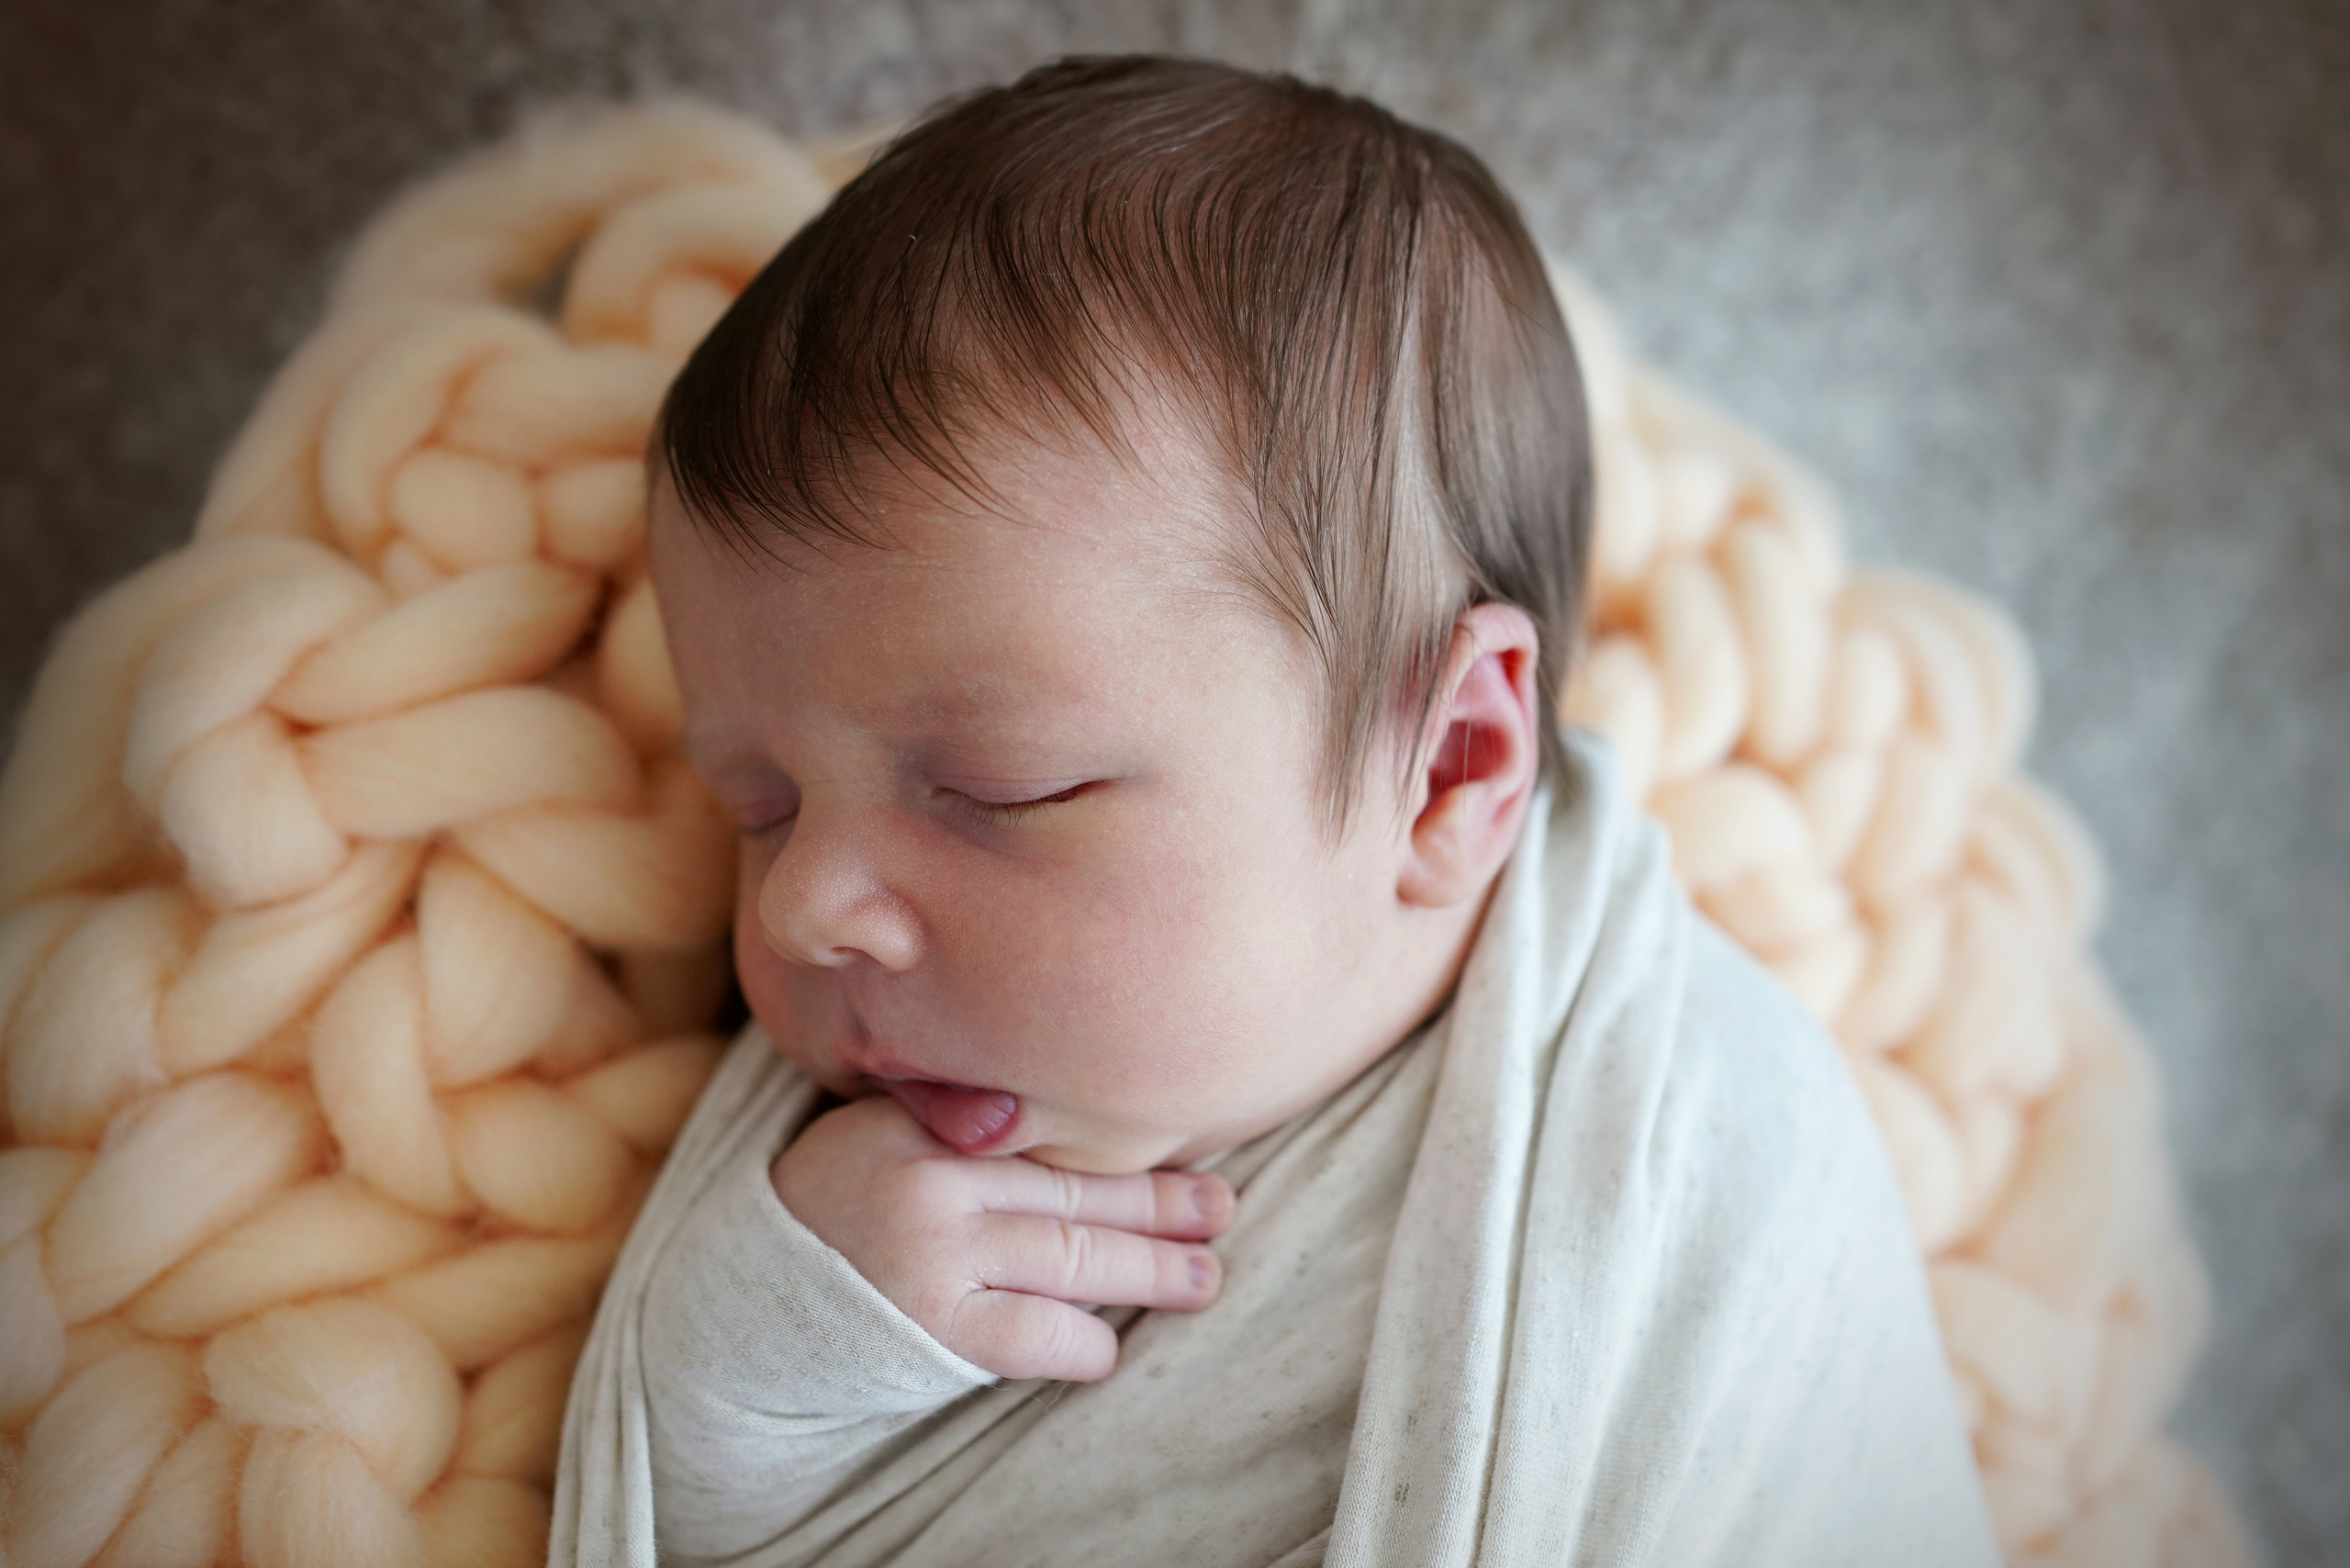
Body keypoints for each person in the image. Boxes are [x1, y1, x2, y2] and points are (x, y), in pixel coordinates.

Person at [554, 53, 2000, 1568]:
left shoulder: (1697, 1154)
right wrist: (777, 1346)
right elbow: (669, 1521)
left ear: (1449, 769)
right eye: (760, 805)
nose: (802, 906)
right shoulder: (835, 1191)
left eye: (1002, 789)